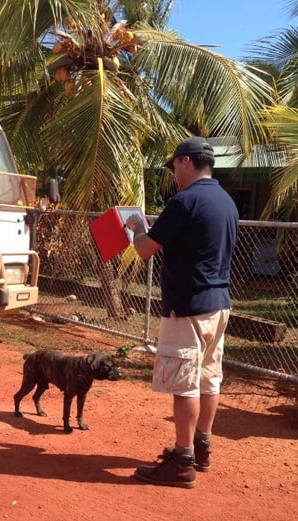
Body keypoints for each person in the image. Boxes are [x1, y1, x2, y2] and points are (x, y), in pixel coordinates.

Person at [125, 136, 239, 489]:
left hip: (187, 307)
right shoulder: (227, 202)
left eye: (174, 165)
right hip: (218, 304)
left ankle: (182, 460)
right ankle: (201, 447)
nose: (173, 173)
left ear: (187, 162)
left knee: (184, 384)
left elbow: (145, 249)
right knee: (209, 378)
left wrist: (137, 226)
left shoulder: (184, 201)